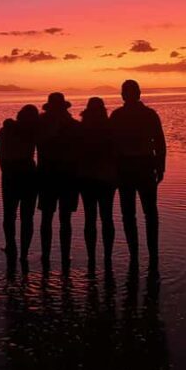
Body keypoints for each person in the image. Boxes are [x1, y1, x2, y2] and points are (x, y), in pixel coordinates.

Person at [109, 79, 166, 270]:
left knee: (137, 214)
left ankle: (143, 255)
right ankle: (145, 254)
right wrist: (160, 166)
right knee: (143, 213)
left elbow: (159, 142)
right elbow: (160, 143)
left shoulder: (125, 115)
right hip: (134, 167)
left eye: (126, 92)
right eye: (126, 92)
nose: (126, 96)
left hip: (138, 166)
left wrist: (161, 166)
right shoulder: (145, 115)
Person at [37, 92, 81, 269]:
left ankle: (63, 255)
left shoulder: (72, 125)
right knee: (50, 218)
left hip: (64, 176)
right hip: (52, 176)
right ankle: (48, 255)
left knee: (62, 218)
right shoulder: (42, 126)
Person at [0, 104, 39, 266]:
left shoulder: (10, 130)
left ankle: (13, 247)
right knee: (25, 216)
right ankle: (22, 252)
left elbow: (0, 148)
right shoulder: (33, 131)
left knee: (11, 215)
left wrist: (4, 168)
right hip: (24, 173)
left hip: (12, 173)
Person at [77, 97, 117, 269]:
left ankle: (91, 257)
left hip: (87, 178)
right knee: (107, 217)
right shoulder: (109, 128)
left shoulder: (81, 129)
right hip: (106, 178)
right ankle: (107, 256)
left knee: (90, 218)